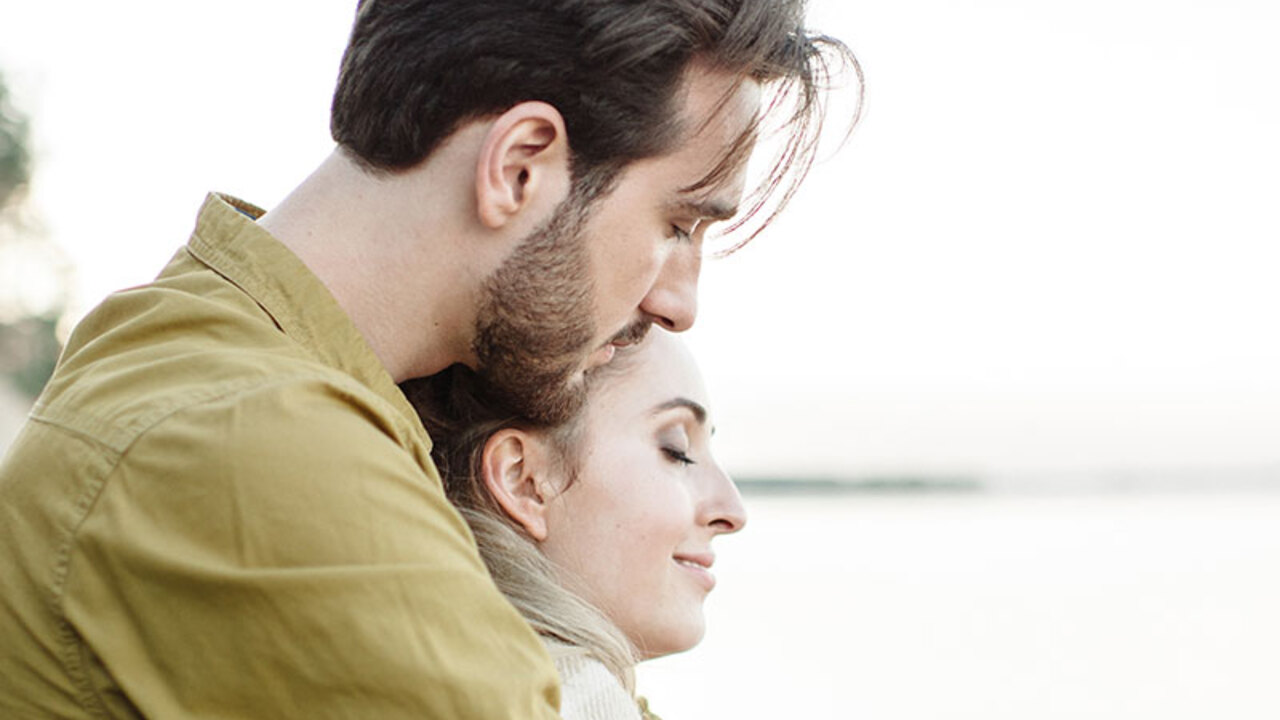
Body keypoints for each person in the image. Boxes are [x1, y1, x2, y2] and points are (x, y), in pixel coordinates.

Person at [0, 1, 854, 717]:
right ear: (519, 168)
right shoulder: (256, 432)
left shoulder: (218, 356)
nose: (679, 303)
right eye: (678, 225)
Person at [412, 329, 745, 720]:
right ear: (523, 479)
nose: (733, 511)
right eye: (678, 451)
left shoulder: (435, 662)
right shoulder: (567, 694)